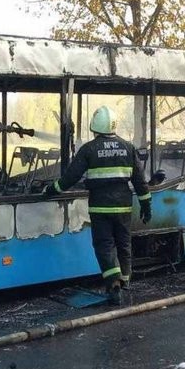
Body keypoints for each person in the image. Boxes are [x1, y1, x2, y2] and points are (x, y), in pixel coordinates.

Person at [44, 105, 151, 303]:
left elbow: (70, 177)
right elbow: (140, 181)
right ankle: (125, 280)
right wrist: (146, 205)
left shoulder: (89, 149)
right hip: (124, 207)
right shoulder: (128, 147)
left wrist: (52, 190)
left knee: (105, 245)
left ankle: (113, 285)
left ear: (95, 127)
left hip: (100, 208)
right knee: (123, 243)